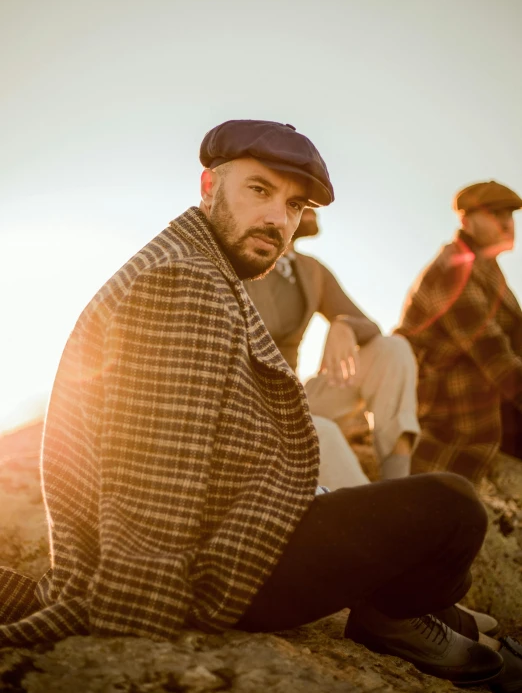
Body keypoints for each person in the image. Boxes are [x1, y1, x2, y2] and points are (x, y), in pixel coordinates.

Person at [0, 121, 508, 686]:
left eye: (293, 205)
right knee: (451, 508)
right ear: (208, 186)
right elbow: (157, 471)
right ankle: (390, 616)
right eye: (259, 190)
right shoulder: (183, 281)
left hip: (241, 520)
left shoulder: (205, 261)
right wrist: (137, 606)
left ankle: (421, 606)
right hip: (216, 571)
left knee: (398, 515)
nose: (278, 219)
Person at [245, 208, 420, 480]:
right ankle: (384, 515)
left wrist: (343, 325)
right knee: (320, 433)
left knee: (392, 349)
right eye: (301, 202)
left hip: (295, 399)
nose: (315, 207)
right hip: (247, 406)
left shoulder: (311, 269)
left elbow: (371, 327)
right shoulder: (242, 257)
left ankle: (397, 483)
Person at [396, 180, 522, 485]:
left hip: (490, 409)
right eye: (495, 214)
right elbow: (496, 358)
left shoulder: (487, 268)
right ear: (466, 220)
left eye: (510, 215)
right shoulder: (455, 268)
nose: (507, 223)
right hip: (458, 421)